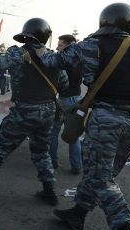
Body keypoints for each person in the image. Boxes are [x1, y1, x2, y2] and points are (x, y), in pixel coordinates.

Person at [36, 3, 130, 230]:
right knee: (101, 172)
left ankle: (124, 227)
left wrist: (37, 45)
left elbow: (53, 62)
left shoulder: (90, 44)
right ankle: (78, 213)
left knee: (101, 177)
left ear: (104, 21)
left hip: (105, 119)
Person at [0, 18, 67, 206]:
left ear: (27, 34)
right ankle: (49, 191)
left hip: (25, 109)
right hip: (47, 111)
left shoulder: (20, 52)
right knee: (42, 152)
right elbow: (63, 83)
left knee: (1, 147)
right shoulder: (51, 56)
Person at [48, 34, 83, 174]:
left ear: (68, 46)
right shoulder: (81, 59)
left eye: (60, 45)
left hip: (62, 101)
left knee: (53, 132)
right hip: (77, 100)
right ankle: (76, 166)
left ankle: (52, 162)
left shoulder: (62, 61)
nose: (57, 48)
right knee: (73, 134)